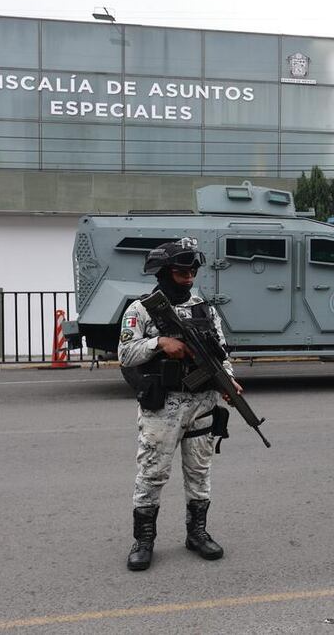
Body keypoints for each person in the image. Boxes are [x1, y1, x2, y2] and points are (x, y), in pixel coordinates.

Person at [118, 237, 243, 571]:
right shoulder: (140, 310)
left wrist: (229, 382)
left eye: (192, 272)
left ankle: (197, 533)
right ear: (163, 272)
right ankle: (144, 540)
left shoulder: (205, 310)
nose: (189, 278)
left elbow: (221, 354)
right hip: (163, 405)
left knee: (199, 472)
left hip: (202, 403)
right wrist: (160, 343)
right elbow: (125, 354)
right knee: (153, 472)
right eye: (181, 272)